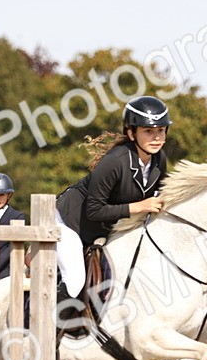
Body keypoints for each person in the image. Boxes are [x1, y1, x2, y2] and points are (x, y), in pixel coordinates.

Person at [54, 95, 169, 311]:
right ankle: (48, 326)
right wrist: (139, 206)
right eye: (148, 131)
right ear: (131, 133)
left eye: (161, 130)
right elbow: (94, 210)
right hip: (69, 221)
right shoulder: (115, 161)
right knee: (75, 279)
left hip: (101, 228)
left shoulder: (159, 160)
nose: (156, 137)